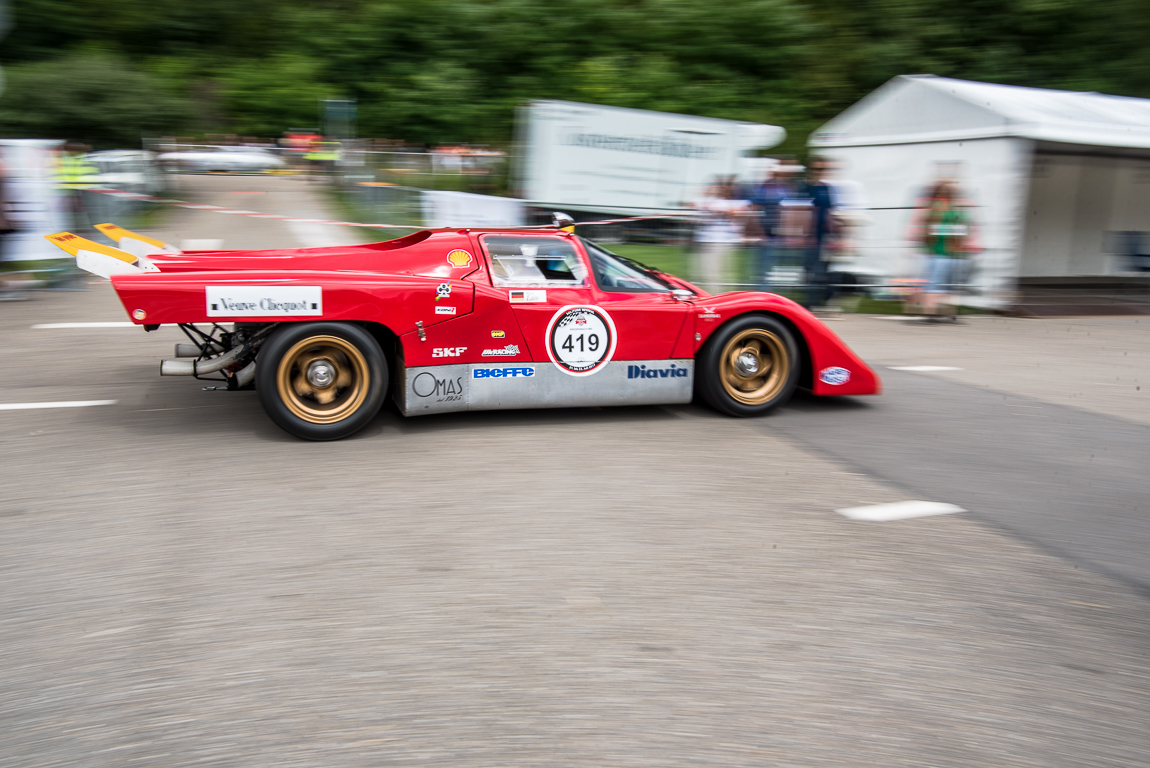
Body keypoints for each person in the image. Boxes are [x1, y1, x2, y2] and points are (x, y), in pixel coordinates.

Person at [918, 180, 971, 321]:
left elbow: (965, 227)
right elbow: (931, 229)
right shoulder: (937, 206)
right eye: (948, 189)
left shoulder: (957, 207)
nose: (951, 192)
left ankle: (949, 312)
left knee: (951, 284)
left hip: (953, 253)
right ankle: (930, 312)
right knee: (935, 283)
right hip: (939, 251)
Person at [691, 178, 750, 289]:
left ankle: (720, 299)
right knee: (703, 274)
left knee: (716, 274)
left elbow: (738, 213)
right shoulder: (711, 201)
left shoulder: (738, 202)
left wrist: (721, 210)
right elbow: (691, 204)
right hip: (705, 240)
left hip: (722, 242)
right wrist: (708, 199)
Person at [748, 164, 796, 289]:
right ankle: (763, 292)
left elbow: (790, 210)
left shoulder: (786, 188)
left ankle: (777, 293)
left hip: (782, 233)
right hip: (767, 232)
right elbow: (755, 207)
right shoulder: (765, 187)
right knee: (764, 265)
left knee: (780, 265)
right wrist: (759, 231)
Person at [801, 158, 838, 309]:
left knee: (822, 269)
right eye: (816, 169)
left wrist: (834, 234)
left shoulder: (826, 188)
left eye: (821, 170)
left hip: (823, 236)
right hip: (808, 236)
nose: (819, 173)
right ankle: (809, 302)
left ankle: (817, 301)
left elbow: (830, 212)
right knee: (808, 269)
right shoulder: (803, 188)